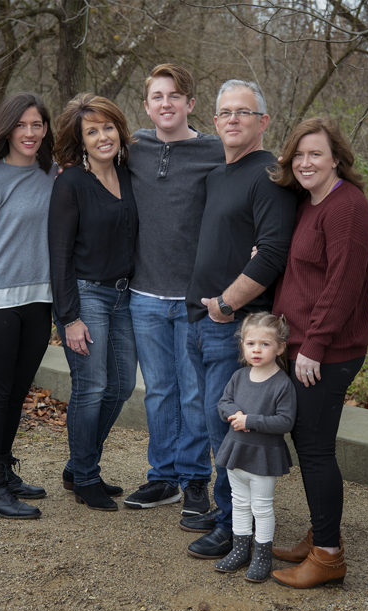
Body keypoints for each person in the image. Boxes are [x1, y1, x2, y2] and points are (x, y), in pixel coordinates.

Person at [183, 80, 297, 557]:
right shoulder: (215, 175)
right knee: (214, 425)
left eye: (244, 112)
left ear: (263, 121)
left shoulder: (269, 176)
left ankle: (235, 529)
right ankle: (231, 513)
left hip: (234, 326)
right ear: (213, 122)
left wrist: (226, 305)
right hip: (200, 321)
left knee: (228, 428)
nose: (233, 119)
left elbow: (270, 253)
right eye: (225, 112)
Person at [269, 117, 368, 588]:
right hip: (305, 345)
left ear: (337, 158)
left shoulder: (346, 207)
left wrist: (313, 344)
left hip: (329, 351)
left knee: (315, 450)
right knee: (309, 444)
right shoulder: (310, 203)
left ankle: (329, 557)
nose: (306, 162)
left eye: (316, 153)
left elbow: (343, 284)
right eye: (299, 154)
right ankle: (321, 535)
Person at [123, 64, 225, 514]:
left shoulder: (216, 151)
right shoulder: (134, 148)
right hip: (143, 295)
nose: (167, 104)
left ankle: (195, 479)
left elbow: (260, 185)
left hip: (194, 299)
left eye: (175, 96)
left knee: (193, 393)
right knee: (160, 391)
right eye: (158, 97)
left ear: (191, 104)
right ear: (146, 106)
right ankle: (162, 476)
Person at [0, 93, 58, 519]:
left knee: (17, 393)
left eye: (37, 124)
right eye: (22, 125)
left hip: (39, 302)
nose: (30, 132)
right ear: (7, 128)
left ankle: (3, 470)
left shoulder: (53, 174)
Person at [48, 94, 138, 512]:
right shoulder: (70, 184)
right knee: (92, 386)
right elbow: (59, 254)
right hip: (85, 296)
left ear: (119, 129)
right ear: (80, 141)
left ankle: (78, 464)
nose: (103, 136)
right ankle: (85, 476)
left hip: (124, 295)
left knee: (120, 386)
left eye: (108, 127)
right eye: (92, 131)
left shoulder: (129, 173)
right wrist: (69, 317)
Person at [212, 312, 296, 583]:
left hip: (263, 456)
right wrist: (233, 413)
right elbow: (223, 403)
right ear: (243, 345)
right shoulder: (238, 376)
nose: (256, 350)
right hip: (236, 450)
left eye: (265, 344)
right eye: (250, 344)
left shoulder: (282, 383)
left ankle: (262, 556)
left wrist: (252, 420)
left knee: (261, 507)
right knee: (239, 503)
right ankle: (240, 550)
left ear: (280, 347)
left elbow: (285, 421)